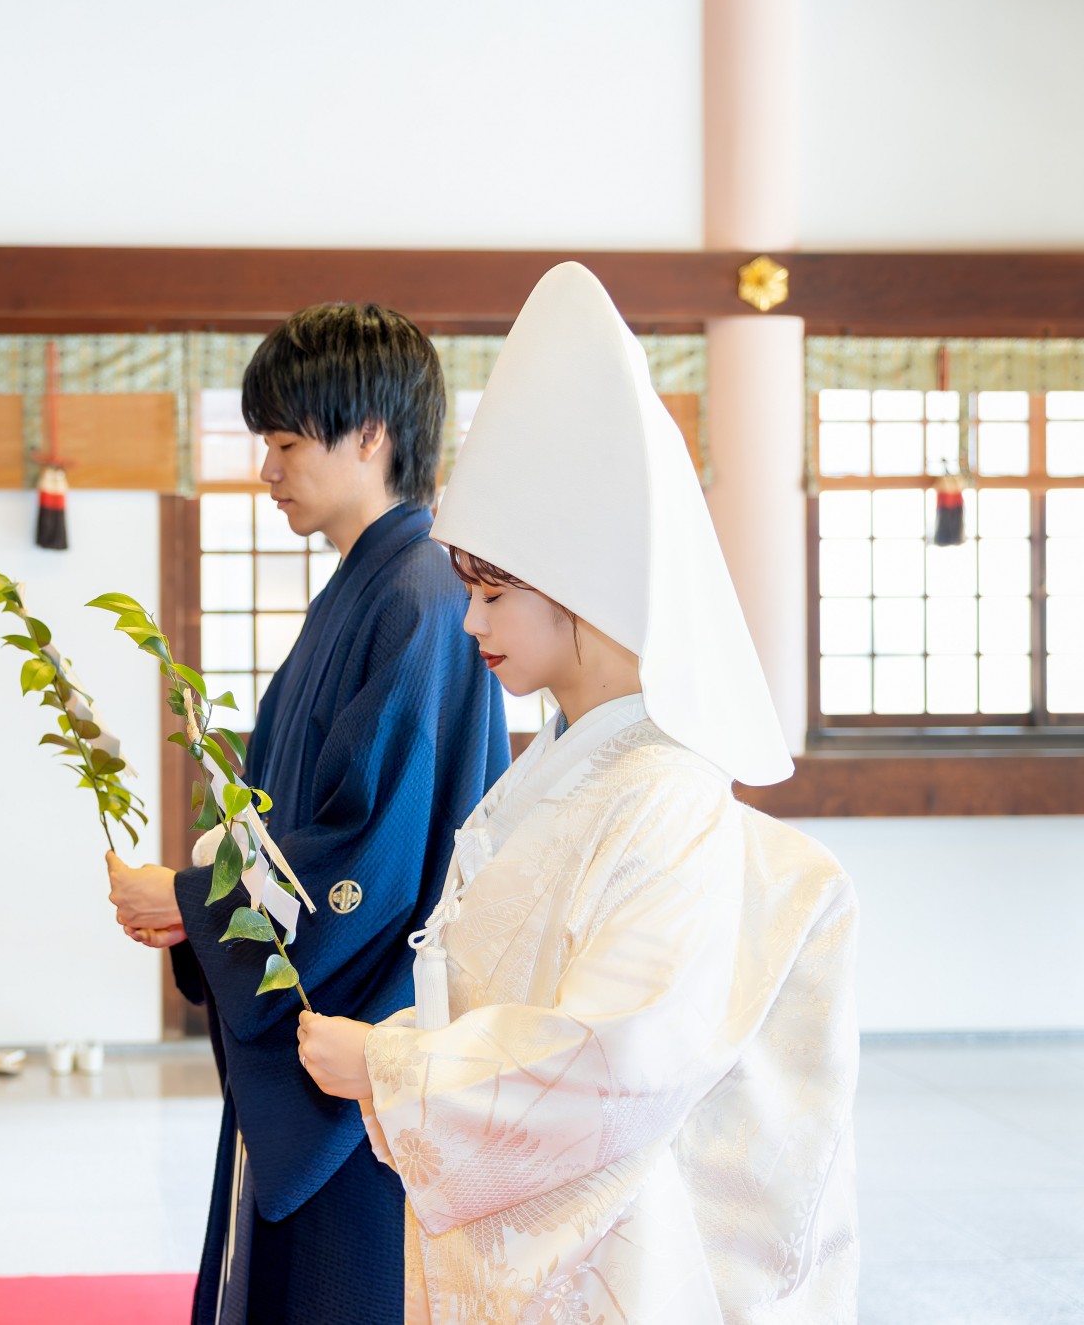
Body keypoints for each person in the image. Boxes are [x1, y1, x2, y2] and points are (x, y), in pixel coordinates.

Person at [296, 262, 859, 1323]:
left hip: (606, 1246)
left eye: (494, 593)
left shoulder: (661, 790)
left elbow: (622, 1052)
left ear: (588, 589)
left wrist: (392, 1064)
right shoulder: (567, 766)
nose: (470, 625)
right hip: (528, 1235)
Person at [105, 303, 513, 1324]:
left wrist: (197, 902)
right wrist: (195, 905)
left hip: (361, 1049)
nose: (266, 470)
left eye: (284, 442)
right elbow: (294, 823)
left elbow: (362, 859)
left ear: (368, 433)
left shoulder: (418, 596)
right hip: (315, 1033)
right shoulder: (366, 592)